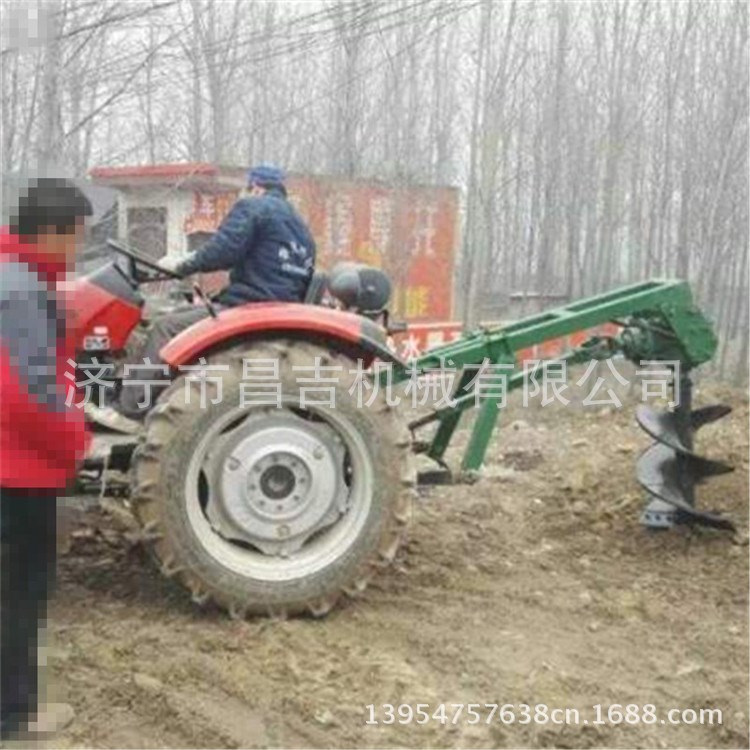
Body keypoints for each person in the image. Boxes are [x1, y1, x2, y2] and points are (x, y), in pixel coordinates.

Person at [94, 165, 316, 427]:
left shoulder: (254, 207)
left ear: (255, 187)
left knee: (165, 328)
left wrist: (182, 264)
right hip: (276, 306)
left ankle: (128, 410)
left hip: (248, 305)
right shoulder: (302, 229)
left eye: (247, 189)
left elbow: (222, 251)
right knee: (178, 317)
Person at [0, 178, 92, 740]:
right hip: (20, 469)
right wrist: (74, 441)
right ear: (52, 233)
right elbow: (27, 391)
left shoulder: (14, 277)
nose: (78, 250)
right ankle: (14, 714)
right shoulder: (23, 290)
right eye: (76, 237)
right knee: (20, 591)